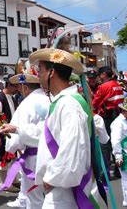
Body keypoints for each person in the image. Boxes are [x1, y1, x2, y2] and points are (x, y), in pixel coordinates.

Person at [29, 48, 92, 208]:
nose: (38, 75)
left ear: (52, 73)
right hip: (60, 186)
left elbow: (73, 147)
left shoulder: (69, 104)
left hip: (63, 190)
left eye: (41, 70)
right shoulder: (63, 101)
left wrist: (53, 177)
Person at [0, 60, 49, 208]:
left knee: (34, 198)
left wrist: (11, 147)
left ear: (26, 87)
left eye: (21, 89)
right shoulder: (50, 99)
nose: (20, 92)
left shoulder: (27, 104)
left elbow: (16, 136)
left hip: (33, 157)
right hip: (52, 155)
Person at [92, 66, 124, 176]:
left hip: (108, 117)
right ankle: (118, 169)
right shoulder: (118, 85)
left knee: (105, 144)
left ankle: (105, 172)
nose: (99, 77)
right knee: (117, 141)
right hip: (119, 115)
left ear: (104, 74)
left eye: (100, 75)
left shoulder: (103, 87)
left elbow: (95, 104)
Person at [0, 75, 18, 190]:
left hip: (11, 133)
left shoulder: (12, 97)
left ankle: (13, 179)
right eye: (15, 86)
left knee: (14, 157)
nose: (17, 88)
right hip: (2, 133)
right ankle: (6, 184)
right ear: (10, 85)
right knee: (3, 158)